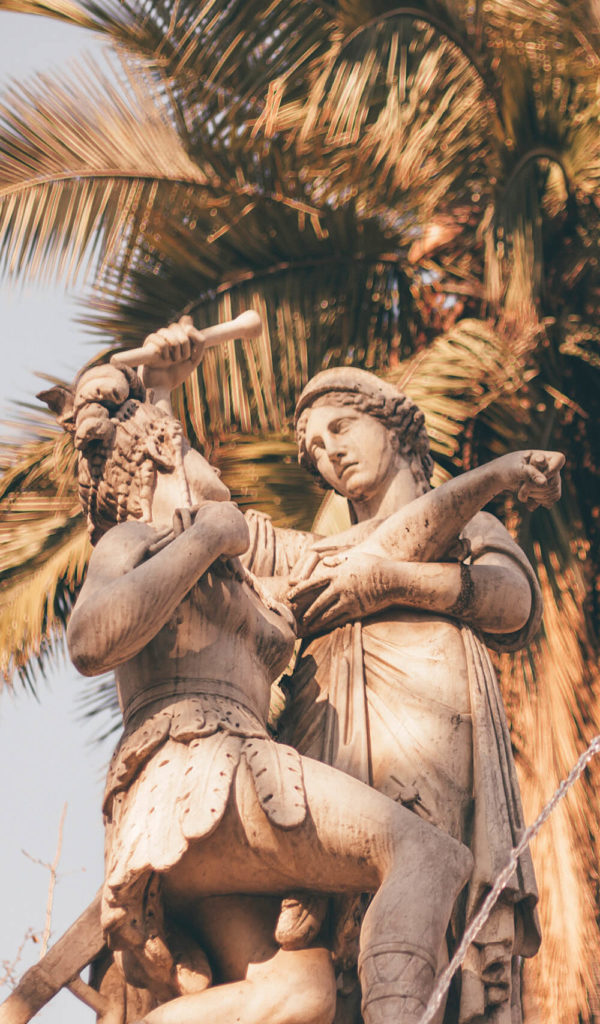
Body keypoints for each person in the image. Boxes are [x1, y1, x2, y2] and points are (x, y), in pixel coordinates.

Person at [142, 319, 563, 1024]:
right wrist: (158, 396)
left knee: (437, 897)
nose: (329, 452)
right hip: (325, 738)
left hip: (432, 720)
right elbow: (185, 518)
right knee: (333, 938)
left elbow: (514, 605)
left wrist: (394, 585)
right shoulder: (305, 553)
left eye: (341, 427)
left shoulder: (466, 528)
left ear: (395, 430)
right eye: (313, 449)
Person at [38, 358, 475, 1024]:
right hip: (198, 761)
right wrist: (205, 534)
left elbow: (374, 545)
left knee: (300, 994)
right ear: (165, 448)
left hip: (230, 802)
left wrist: (490, 483)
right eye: (197, 451)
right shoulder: (134, 541)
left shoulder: (247, 572)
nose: (224, 483)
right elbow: (93, 640)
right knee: (424, 853)